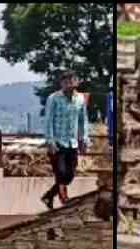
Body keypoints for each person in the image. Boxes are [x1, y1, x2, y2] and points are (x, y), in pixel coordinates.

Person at [42, 70, 89, 210]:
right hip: (57, 142)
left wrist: (84, 139)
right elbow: (48, 120)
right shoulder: (53, 98)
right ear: (61, 83)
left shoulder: (80, 99)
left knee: (70, 175)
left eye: (72, 80)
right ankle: (64, 198)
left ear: (77, 82)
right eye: (66, 81)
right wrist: (50, 141)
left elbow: (83, 121)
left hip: (72, 142)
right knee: (60, 172)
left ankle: (49, 196)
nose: (69, 83)